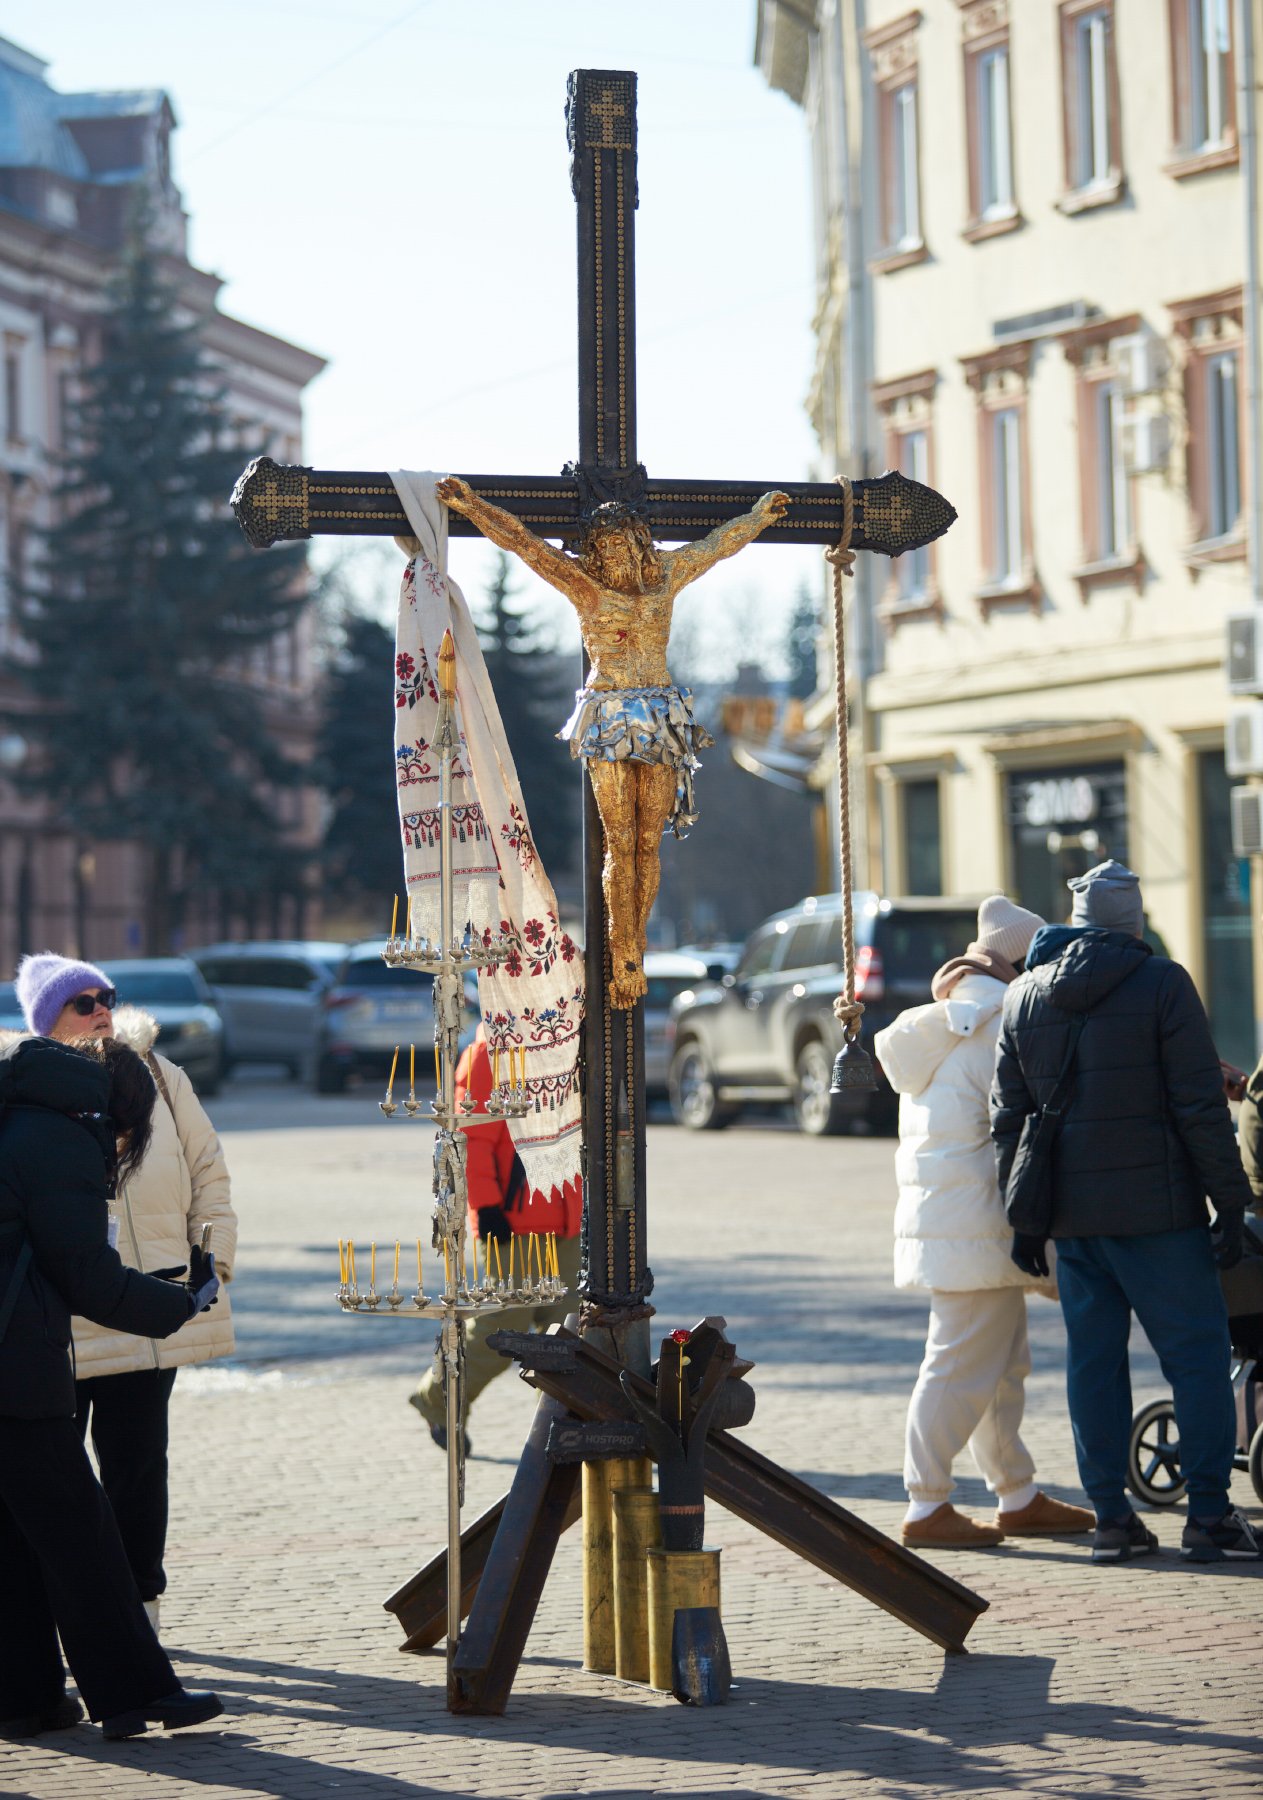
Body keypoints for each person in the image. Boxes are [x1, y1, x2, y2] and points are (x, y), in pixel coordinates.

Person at [991, 859, 1260, 1565]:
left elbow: (1007, 1121)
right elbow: (1199, 1108)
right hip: (1160, 1216)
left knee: (1094, 1367)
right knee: (1197, 1361)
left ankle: (1111, 1519)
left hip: (1073, 1224)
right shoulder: (1163, 984)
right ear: (1133, 922)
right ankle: (1206, 1516)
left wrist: (1022, 1220)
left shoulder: (1022, 997)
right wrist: (1229, 1204)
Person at [435, 475, 789, 1007]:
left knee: (650, 841)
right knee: (620, 841)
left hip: (663, 717)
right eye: (603, 548)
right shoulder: (585, 586)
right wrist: (473, 506)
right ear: (594, 555)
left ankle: (637, 945)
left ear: (639, 543)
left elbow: (717, 546)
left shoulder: (666, 576)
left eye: (622, 544)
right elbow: (524, 544)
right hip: (608, 717)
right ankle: (623, 952)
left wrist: (759, 519)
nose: (615, 555)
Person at [0, 1032, 223, 1740]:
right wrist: (181, 1304)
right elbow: (85, 1275)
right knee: (84, 1537)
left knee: (15, 1538)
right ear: (120, 1117)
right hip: (13, 1371)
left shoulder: (15, 1116)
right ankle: (136, 1695)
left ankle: (25, 1696)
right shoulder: (60, 1140)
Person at [13, 953, 237, 1636]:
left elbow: (210, 1173)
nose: (100, 1010)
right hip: (68, 1323)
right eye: (81, 1002)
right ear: (45, 1018)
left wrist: (213, 1264)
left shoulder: (160, 1078)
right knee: (55, 1485)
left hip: (150, 1311)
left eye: (105, 995)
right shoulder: (27, 1092)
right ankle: (62, 1622)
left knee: (139, 1471)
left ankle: (141, 1610)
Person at [875, 896, 1094, 1549]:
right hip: (981, 1222)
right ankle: (925, 1504)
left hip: (954, 1220)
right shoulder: (1003, 1020)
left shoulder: (935, 1022)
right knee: (957, 1364)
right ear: (1020, 961)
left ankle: (1015, 1493)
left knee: (997, 1363)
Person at [410, 1025, 582, 1445]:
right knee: (503, 1326)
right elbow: (471, 1135)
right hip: (511, 1221)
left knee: (575, 1328)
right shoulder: (489, 1051)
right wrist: (486, 1205)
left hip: (565, 1216)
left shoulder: (564, 1042)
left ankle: (577, 1420)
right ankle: (439, 1399)